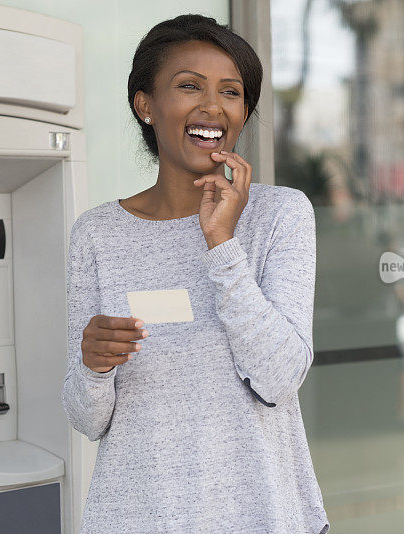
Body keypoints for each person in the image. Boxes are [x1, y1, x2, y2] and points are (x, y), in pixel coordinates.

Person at [61, 13, 330, 534]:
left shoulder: (281, 216)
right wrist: (93, 366)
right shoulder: (97, 234)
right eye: (189, 86)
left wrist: (222, 243)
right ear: (146, 105)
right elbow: (88, 420)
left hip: (261, 515)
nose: (212, 107)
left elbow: (279, 378)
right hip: (138, 517)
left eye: (231, 92)